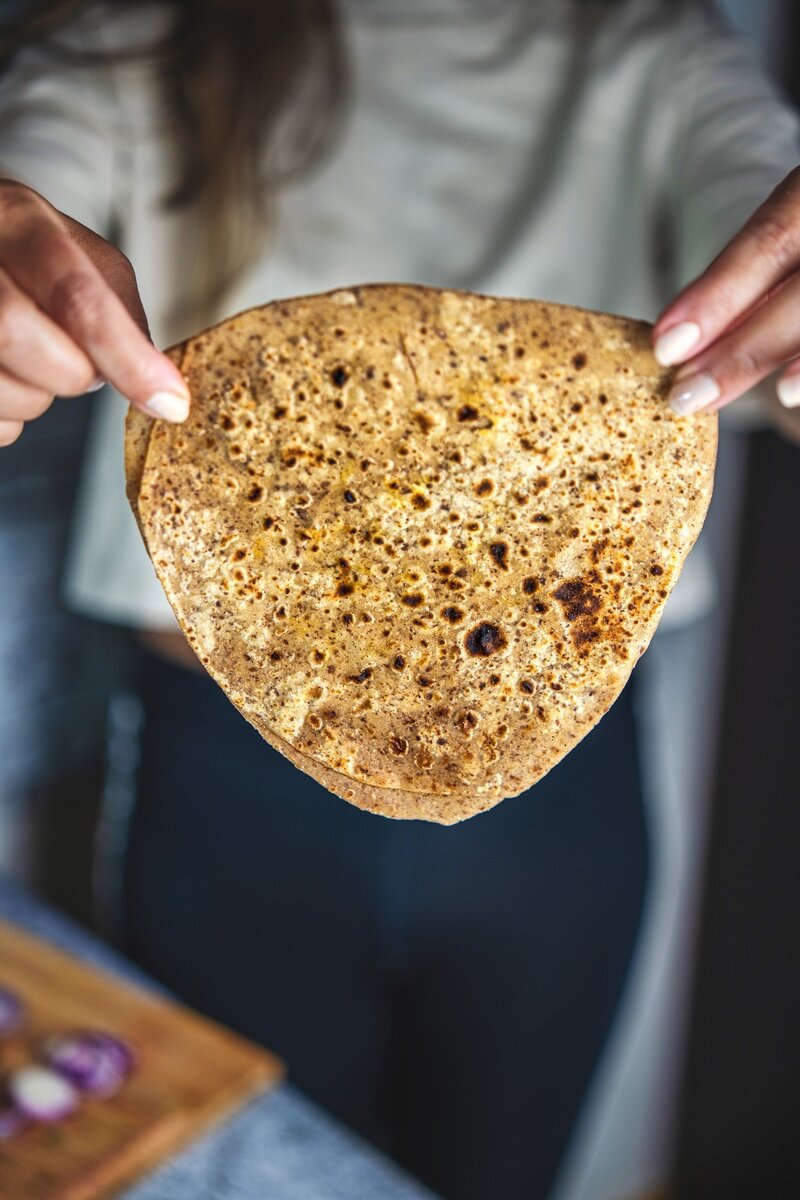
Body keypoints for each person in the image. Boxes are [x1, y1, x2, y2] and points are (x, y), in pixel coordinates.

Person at [0, 2, 797, 1197]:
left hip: (556, 774)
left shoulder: (648, 48)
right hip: (226, 775)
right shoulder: (135, 43)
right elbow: (31, 194)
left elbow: (760, 219)